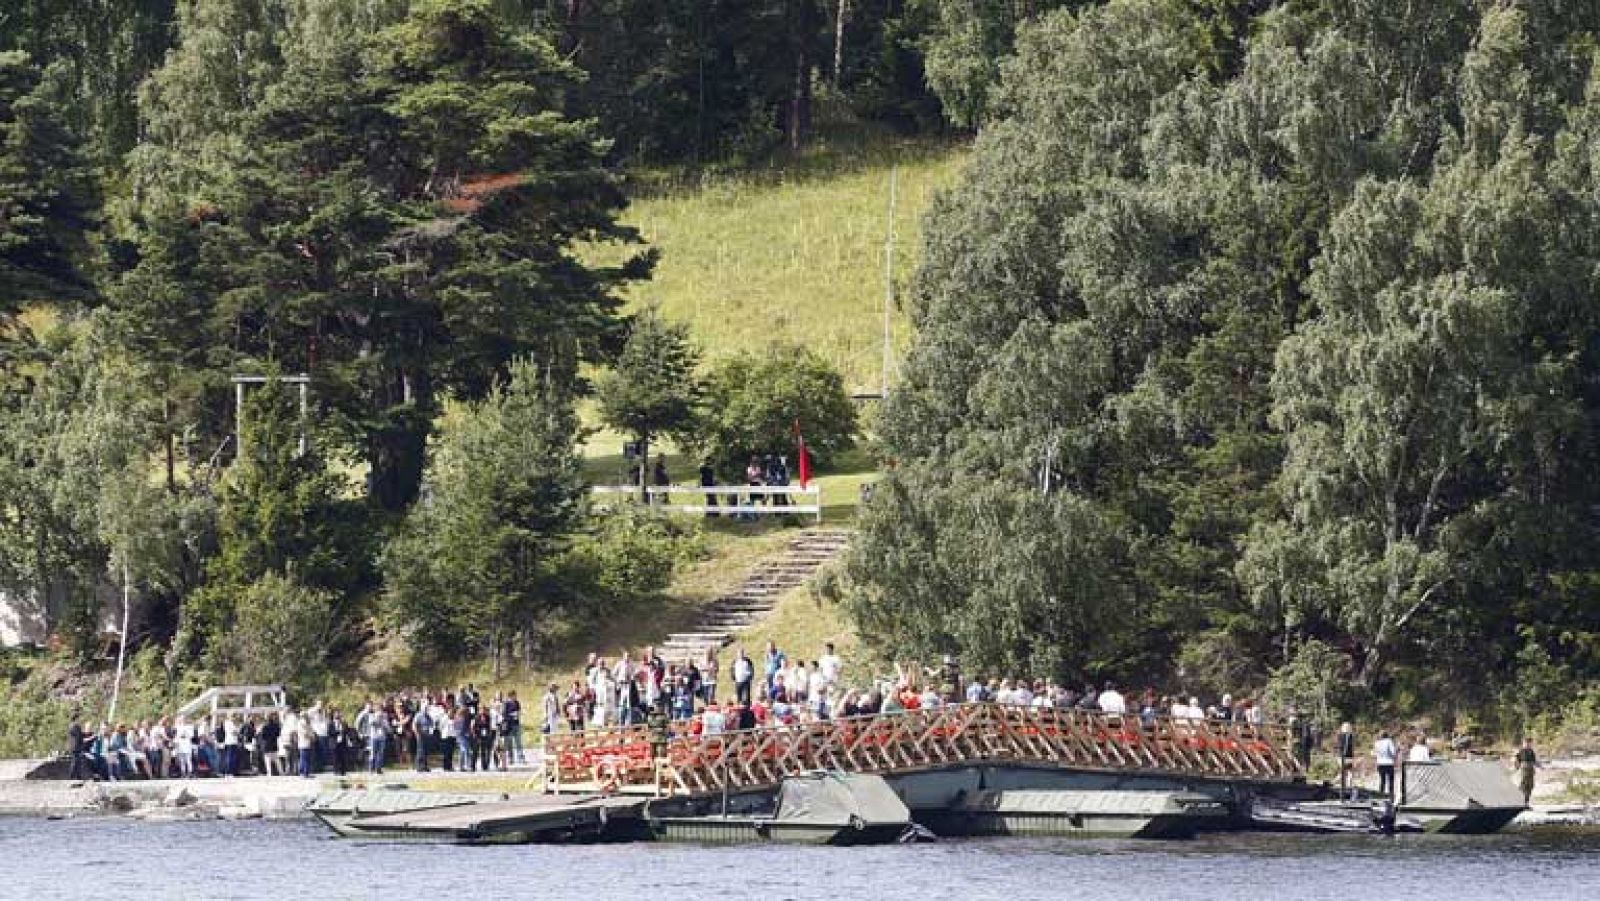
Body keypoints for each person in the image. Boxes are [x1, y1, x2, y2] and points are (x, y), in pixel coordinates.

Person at [1514, 738, 1539, 806]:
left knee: (1530, 786)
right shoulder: (1521, 751)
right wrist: (1516, 768)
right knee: (1523, 785)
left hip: (1531, 770)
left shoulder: (1531, 751)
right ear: (1524, 743)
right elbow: (1517, 760)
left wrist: (1540, 766)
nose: (1528, 744)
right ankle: (1519, 800)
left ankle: (1526, 802)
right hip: (1524, 769)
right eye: (1527, 743)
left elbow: (1534, 761)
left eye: (1529, 743)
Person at [1374, 730, 1398, 798]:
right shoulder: (1389, 741)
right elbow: (1393, 753)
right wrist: (1397, 750)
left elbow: (1376, 754)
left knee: (1382, 780)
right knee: (1390, 781)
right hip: (1388, 763)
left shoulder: (1377, 743)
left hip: (1380, 763)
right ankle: (1391, 796)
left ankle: (1380, 796)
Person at [503, 690, 524, 765]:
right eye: (514, 696)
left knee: (519, 742)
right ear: (510, 696)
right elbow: (504, 714)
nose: (515, 697)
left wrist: (518, 714)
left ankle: (521, 757)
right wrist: (512, 715)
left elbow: (519, 711)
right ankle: (510, 758)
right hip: (509, 725)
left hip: (517, 724)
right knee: (510, 743)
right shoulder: (506, 703)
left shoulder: (517, 702)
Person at [1337, 722, 1356, 795]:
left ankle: (1343, 786)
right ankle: (1348, 786)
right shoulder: (1350, 736)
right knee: (1349, 772)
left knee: (1343, 772)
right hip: (1348, 756)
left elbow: (1340, 746)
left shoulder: (1340, 736)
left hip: (1341, 756)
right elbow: (1351, 747)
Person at [66, 716, 86, 781]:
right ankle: (71, 776)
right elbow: (79, 737)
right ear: (76, 719)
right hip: (75, 747)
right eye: (79, 719)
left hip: (75, 747)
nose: (80, 720)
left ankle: (78, 776)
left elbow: (80, 735)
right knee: (75, 762)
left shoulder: (74, 726)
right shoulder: (74, 726)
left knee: (78, 762)